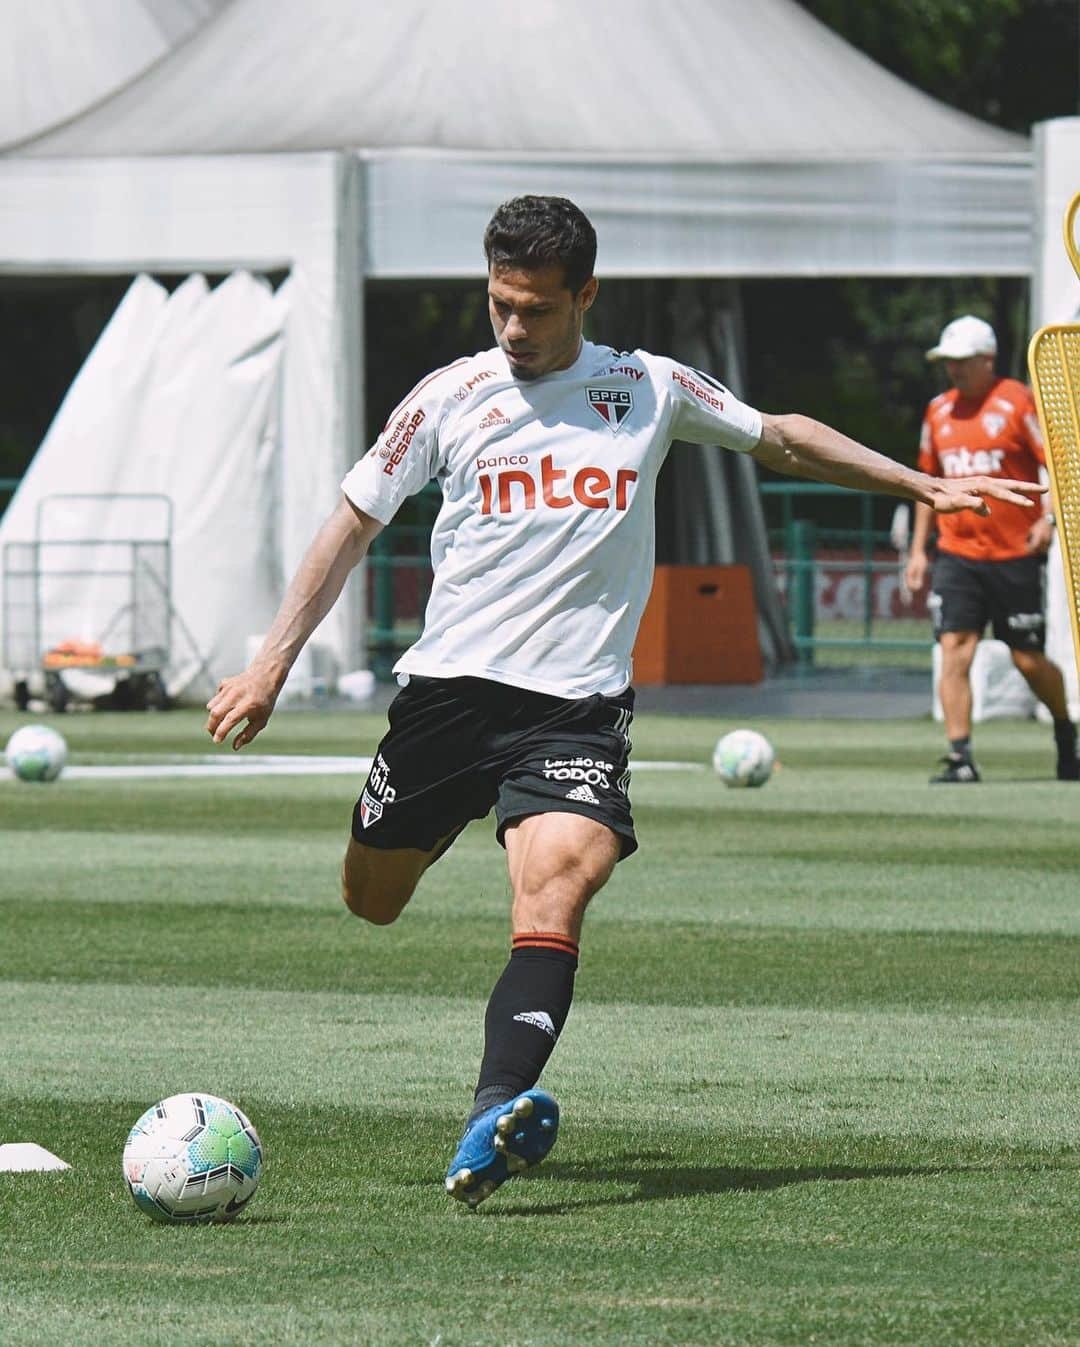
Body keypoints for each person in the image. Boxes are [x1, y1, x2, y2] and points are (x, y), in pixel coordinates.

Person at [206, 198, 1047, 1208]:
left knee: (559, 885)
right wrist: (270, 666)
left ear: (585, 297)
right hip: (447, 701)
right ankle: (436, 848)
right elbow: (350, 524)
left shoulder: (648, 386)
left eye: (535, 311)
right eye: (500, 304)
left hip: (574, 711)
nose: (513, 328)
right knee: (371, 899)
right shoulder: (449, 397)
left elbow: (779, 437)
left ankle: (495, 1113)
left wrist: (919, 485)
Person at [905, 314, 1078, 783]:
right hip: (957, 553)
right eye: (948, 363)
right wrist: (919, 551)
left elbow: (1060, 465)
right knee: (954, 649)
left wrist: (1050, 520)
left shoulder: (1019, 403)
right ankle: (960, 758)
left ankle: (1066, 732)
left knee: (1027, 659)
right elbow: (927, 483)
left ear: (988, 360)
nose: (954, 371)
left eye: (962, 362)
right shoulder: (938, 411)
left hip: (1014, 553)